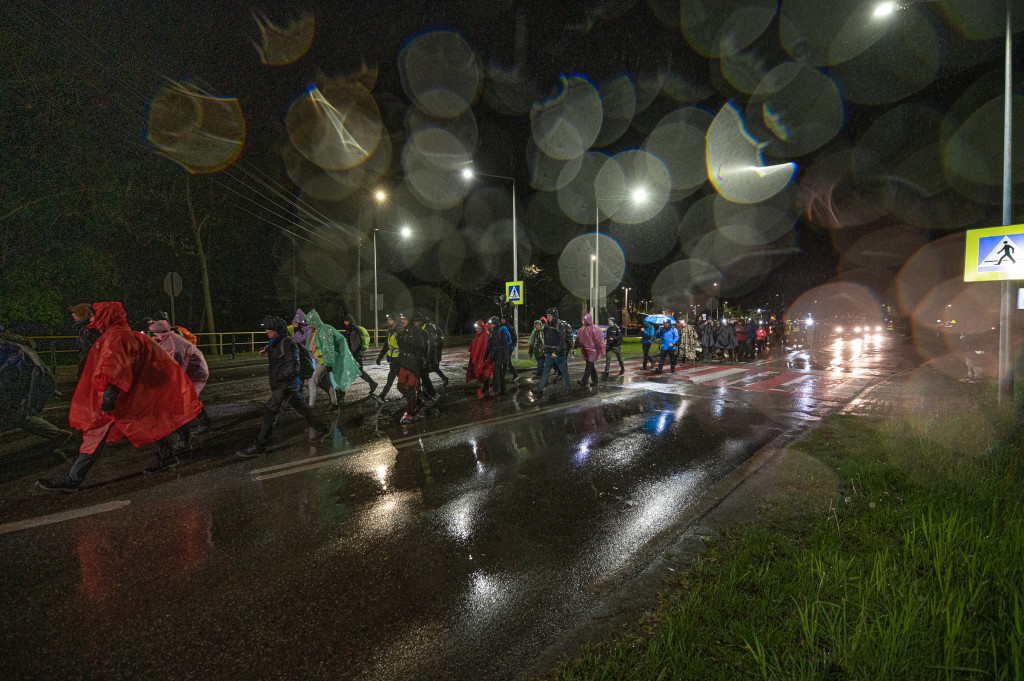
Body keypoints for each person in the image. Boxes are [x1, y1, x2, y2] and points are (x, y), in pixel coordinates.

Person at [37, 302, 201, 491]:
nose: (93, 319)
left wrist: (108, 396)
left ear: (106, 317)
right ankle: (168, 457)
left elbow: (114, 368)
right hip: (132, 393)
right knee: (145, 422)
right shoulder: (128, 334)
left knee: (95, 433)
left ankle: (72, 480)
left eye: (97, 315)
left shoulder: (115, 337)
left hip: (117, 395)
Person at [237, 316, 330, 457]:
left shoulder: (288, 343)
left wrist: (280, 378)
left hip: (285, 385)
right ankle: (323, 428)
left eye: (269, 329)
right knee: (303, 408)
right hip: (285, 384)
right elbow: (277, 350)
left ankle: (260, 446)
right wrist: (267, 349)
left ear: (277, 330)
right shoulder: (277, 341)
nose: (266, 331)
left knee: (270, 413)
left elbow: (293, 366)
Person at [1, 330, 71, 456]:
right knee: (18, 418)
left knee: (16, 417)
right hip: (12, 391)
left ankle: (57, 434)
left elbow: (10, 373)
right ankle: (57, 434)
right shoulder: (12, 348)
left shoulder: (12, 352)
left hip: (10, 391)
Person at [148, 319, 211, 453]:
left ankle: (185, 440)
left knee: (178, 405)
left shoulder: (173, 345)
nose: (151, 335)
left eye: (152, 332)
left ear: (159, 332)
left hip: (195, 372)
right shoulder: (168, 338)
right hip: (192, 370)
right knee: (187, 401)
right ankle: (201, 425)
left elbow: (176, 368)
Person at [304, 309, 364, 408]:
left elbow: (328, 347)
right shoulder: (313, 332)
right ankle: (334, 402)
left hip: (323, 362)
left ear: (314, 321)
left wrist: (329, 363)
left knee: (313, 381)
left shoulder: (325, 330)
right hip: (316, 361)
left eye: (309, 323)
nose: (308, 326)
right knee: (328, 383)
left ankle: (310, 407)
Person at [396, 312, 429, 422]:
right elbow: (402, 347)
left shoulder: (415, 331)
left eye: (404, 319)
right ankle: (417, 400)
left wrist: (417, 363)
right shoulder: (404, 331)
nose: (402, 321)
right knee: (400, 386)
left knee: (410, 389)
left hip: (413, 365)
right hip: (405, 363)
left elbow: (421, 348)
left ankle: (411, 413)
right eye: (401, 319)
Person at [532, 307, 572, 397]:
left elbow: (562, 340)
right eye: (547, 316)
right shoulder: (547, 325)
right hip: (549, 353)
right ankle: (540, 389)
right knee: (546, 371)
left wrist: (556, 352)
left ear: (554, 316)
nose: (548, 317)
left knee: (563, 371)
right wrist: (546, 349)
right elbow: (546, 338)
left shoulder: (560, 325)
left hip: (558, 354)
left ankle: (568, 388)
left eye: (549, 316)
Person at [340, 314, 380, 398]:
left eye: (345, 321)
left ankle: (341, 392)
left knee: (348, 372)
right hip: (356, 353)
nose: (344, 322)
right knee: (359, 372)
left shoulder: (353, 330)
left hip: (355, 354)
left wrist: (350, 354)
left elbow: (354, 345)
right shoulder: (352, 329)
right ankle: (373, 383)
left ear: (349, 321)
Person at [375, 313, 402, 400]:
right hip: (392, 358)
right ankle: (413, 393)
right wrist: (379, 358)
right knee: (402, 378)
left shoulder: (399, 331)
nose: (388, 321)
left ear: (394, 320)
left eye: (390, 319)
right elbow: (386, 346)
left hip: (398, 359)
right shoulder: (390, 331)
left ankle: (382, 396)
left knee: (391, 378)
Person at [574, 313, 606, 388]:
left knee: (588, 366)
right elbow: (577, 339)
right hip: (585, 350)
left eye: (586, 319)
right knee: (591, 366)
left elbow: (600, 341)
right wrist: (574, 347)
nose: (585, 321)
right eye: (584, 320)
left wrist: (603, 351)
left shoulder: (595, 329)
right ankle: (595, 380)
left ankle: (584, 381)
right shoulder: (581, 329)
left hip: (593, 351)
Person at [70, 303, 101, 380]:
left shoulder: (86, 330)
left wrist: (81, 371)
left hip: (89, 367)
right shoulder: (92, 328)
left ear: (82, 314)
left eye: (75, 313)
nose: (72, 315)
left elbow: (86, 352)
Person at [466, 319, 494, 399]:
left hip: (484, 358)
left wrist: (484, 358)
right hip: (478, 358)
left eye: (478, 328)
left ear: (481, 328)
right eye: (476, 328)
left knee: (485, 371)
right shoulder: (477, 335)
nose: (477, 329)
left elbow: (486, 348)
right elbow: (474, 346)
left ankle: (486, 386)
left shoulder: (485, 334)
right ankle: (485, 386)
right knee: (481, 371)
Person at [484, 316, 511, 395]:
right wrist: (485, 357)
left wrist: (506, 358)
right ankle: (503, 388)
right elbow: (489, 345)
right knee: (500, 373)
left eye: (492, 324)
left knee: (496, 371)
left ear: (495, 324)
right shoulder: (491, 333)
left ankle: (496, 389)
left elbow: (506, 345)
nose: (490, 325)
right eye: (490, 324)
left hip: (501, 354)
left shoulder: (501, 332)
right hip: (495, 355)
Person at [422, 316, 449, 388]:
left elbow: (430, 343)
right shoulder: (435, 327)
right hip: (437, 351)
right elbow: (441, 340)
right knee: (434, 368)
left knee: (426, 368)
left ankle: (426, 386)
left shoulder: (426, 328)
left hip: (432, 352)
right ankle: (444, 378)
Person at [499, 315, 519, 383]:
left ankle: (515, 374)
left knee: (507, 361)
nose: (501, 320)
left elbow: (514, 337)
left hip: (509, 347)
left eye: (503, 319)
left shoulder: (508, 327)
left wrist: (512, 345)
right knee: (505, 361)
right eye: (501, 319)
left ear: (505, 320)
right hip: (506, 347)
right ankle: (503, 376)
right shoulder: (502, 327)